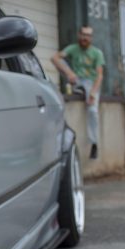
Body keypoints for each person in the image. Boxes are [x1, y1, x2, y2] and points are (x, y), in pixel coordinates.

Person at [51, 26, 105, 159]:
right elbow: (54, 58)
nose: (85, 38)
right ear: (79, 35)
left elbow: (99, 76)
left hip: (90, 83)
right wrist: (69, 73)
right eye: (83, 34)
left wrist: (93, 93)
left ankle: (94, 143)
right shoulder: (73, 48)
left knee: (92, 111)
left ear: (91, 38)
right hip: (76, 80)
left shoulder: (97, 53)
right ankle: (75, 88)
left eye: (88, 35)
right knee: (60, 61)